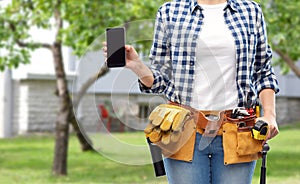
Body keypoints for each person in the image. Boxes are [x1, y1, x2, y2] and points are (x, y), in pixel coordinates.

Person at [103, 0, 280, 183]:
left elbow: (263, 71)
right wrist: (138, 66)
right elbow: (161, 79)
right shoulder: (170, 12)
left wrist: (270, 115)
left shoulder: (250, 10)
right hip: (184, 131)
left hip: (237, 130)